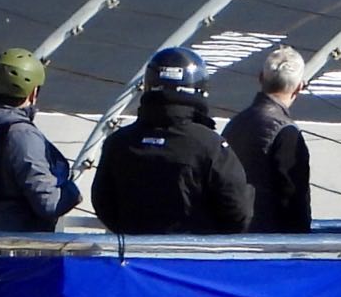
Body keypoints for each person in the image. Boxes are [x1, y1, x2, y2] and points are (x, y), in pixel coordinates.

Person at [91, 46, 252, 234]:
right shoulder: (210, 146)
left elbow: (103, 202)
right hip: (192, 256)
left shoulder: (118, 142)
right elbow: (237, 210)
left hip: (133, 255)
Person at [0, 47, 80, 233]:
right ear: (33, 92)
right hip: (17, 247)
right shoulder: (22, 134)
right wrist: (71, 190)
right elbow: (49, 204)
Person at [224, 45, 312, 233]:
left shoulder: (235, 124)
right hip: (268, 236)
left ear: (261, 78)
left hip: (233, 229)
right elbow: (295, 199)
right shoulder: (286, 132)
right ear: (299, 87)